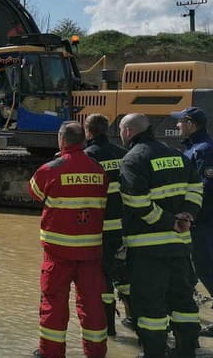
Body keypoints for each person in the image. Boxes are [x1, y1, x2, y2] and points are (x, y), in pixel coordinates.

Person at [118, 113, 203, 358]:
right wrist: (188, 215)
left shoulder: (133, 159)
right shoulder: (177, 155)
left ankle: (154, 353)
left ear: (127, 131)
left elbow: (136, 201)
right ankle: (186, 352)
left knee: (150, 306)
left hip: (148, 251)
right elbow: (196, 188)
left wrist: (170, 223)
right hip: (180, 247)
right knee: (184, 302)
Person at [28, 121, 108, 358]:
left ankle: (51, 352)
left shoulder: (50, 169)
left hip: (58, 253)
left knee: (54, 303)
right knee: (93, 304)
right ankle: (95, 353)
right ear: (83, 141)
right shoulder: (98, 170)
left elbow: (34, 193)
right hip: (91, 252)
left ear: (61, 141)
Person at [171, 106, 213, 338]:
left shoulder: (204, 150)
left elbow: (207, 188)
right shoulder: (196, 148)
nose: (177, 126)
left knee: (210, 266)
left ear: (190, 123)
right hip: (198, 222)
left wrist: (190, 215)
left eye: (180, 122)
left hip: (202, 222)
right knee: (198, 267)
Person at [82, 114, 131, 336]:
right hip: (126, 229)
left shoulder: (87, 158)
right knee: (126, 276)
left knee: (103, 280)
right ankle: (134, 320)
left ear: (88, 132)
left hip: (100, 231)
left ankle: (109, 329)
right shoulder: (125, 155)